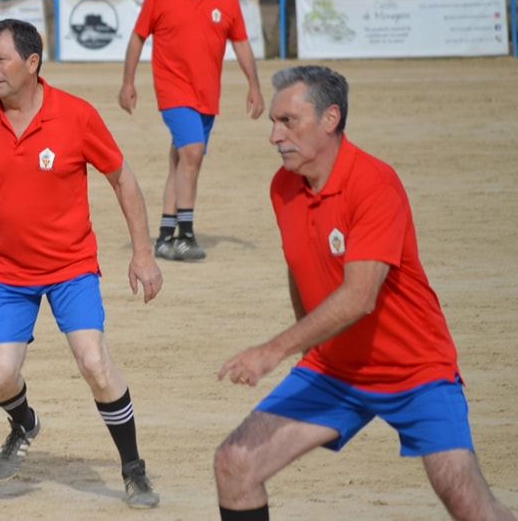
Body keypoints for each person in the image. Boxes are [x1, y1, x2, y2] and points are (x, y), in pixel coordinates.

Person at [214, 66, 516, 521]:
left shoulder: (374, 183)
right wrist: (307, 346)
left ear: (331, 118)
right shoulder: (283, 187)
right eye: (273, 123)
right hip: (334, 370)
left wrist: (272, 350)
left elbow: (359, 297)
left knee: (467, 502)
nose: (274, 136)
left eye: (287, 122)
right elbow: (301, 266)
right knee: (235, 464)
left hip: (415, 370)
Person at [0, 19, 163, 509]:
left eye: (0, 59)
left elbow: (122, 180)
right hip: (4, 272)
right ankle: (24, 423)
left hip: (71, 267)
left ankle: (133, 469)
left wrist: (143, 252)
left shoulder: (76, 115)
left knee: (95, 362)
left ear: (32, 63)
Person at [118, 0, 264, 262]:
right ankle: (185, 235)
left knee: (181, 161)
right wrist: (128, 82)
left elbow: (240, 43)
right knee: (193, 153)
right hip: (172, 90)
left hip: (207, 95)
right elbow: (138, 38)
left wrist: (254, 85)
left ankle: (166, 236)